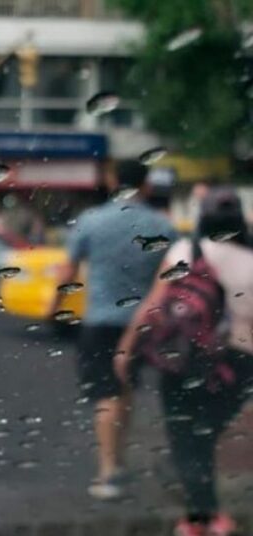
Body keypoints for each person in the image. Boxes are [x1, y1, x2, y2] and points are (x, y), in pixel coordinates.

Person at [114, 188, 252, 536]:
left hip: (184, 358)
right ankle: (208, 516)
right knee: (204, 435)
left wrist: (126, 349)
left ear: (203, 218)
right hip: (240, 363)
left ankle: (201, 519)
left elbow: (154, 305)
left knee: (183, 437)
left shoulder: (184, 251)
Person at [49, 159, 177, 500]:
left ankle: (108, 472)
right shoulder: (161, 225)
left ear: (111, 182)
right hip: (145, 324)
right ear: (147, 185)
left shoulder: (91, 221)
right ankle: (118, 461)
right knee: (126, 390)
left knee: (107, 394)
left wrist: (54, 310)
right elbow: (172, 279)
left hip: (101, 321)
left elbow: (68, 272)